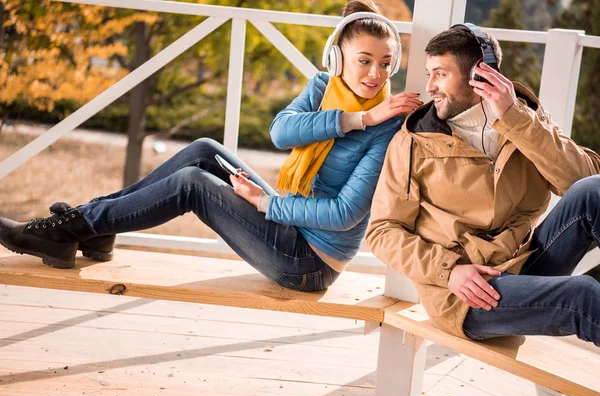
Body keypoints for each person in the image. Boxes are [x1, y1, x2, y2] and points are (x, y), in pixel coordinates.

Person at [0, 0, 421, 292]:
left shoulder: (389, 125)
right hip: (291, 226)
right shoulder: (323, 89)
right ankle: (95, 227)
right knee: (204, 149)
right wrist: (357, 118)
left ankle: (74, 229)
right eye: (364, 60)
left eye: (385, 63)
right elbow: (280, 133)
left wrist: (266, 204)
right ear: (337, 59)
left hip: (308, 262)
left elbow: (345, 215)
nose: (375, 74)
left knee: (192, 183)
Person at [366, 23, 600, 346]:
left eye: (440, 74)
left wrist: (516, 119)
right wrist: (449, 270)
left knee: (594, 193)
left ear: (480, 76)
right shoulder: (414, 141)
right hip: (466, 294)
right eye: (429, 73)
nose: (429, 86)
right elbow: (382, 231)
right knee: (582, 295)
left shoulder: (525, 118)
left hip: (523, 263)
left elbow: (583, 179)